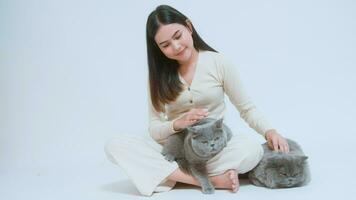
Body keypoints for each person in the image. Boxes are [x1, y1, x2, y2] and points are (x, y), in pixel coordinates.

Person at [105, 4, 289, 196]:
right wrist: (178, 124)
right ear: (157, 48)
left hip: (212, 150)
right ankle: (206, 180)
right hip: (174, 152)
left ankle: (169, 175)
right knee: (115, 145)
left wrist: (270, 132)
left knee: (251, 149)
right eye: (165, 45)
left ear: (189, 28)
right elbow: (154, 129)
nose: (175, 47)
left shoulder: (219, 63)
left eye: (178, 36)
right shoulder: (157, 77)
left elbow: (247, 108)